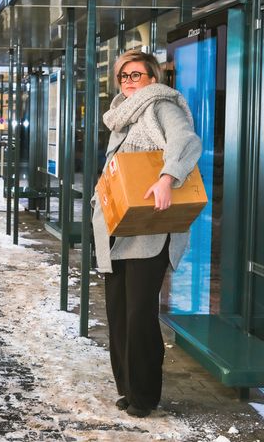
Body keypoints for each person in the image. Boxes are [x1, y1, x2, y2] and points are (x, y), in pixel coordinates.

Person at [91, 50, 202, 418]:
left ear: (152, 78)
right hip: (116, 227)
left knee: (139, 313)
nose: (128, 82)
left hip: (149, 229)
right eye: (123, 76)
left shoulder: (161, 105)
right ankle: (128, 388)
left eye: (136, 75)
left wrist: (168, 178)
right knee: (119, 313)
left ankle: (145, 395)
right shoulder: (123, 116)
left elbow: (186, 140)